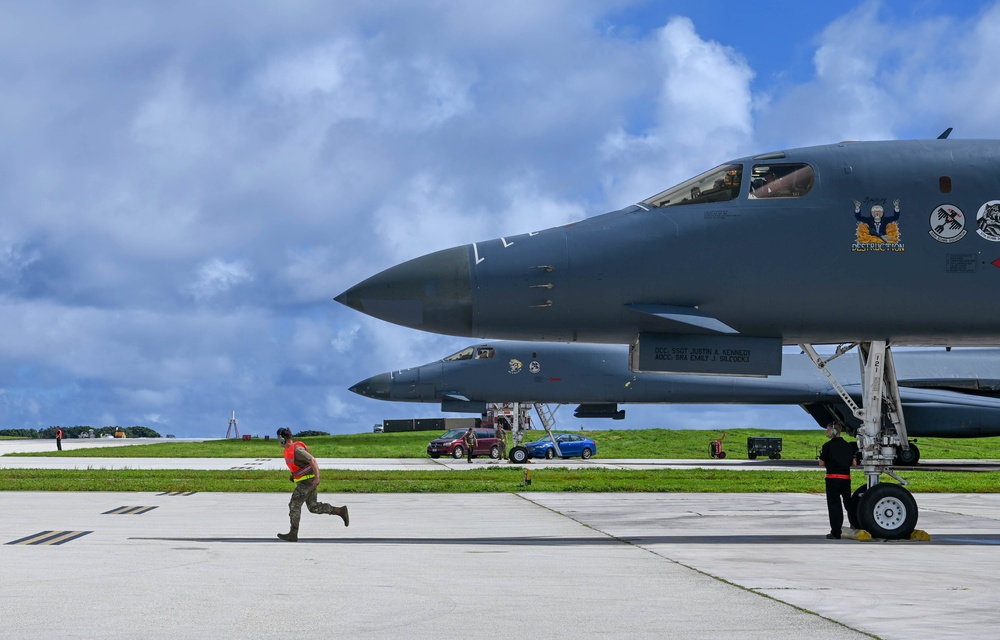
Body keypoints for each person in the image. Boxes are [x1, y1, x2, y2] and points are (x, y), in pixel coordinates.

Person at [276, 427, 349, 542]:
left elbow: (312, 461)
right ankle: (340, 511)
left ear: (283, 439)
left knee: (294, 505)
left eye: (278, 438)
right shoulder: (290, 450)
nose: (278, 441)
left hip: (308, 483)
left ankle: (293, 533)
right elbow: (301, 466)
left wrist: (317, 477)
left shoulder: (297, 450)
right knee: (313, 507)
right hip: (307, 481)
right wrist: (294, 475)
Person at [819, 422, 860, 539]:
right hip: (846, 479)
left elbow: (821, 463)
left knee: (834, 506)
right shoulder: (849, 446)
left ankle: (836, 532)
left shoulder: (827, 446)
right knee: (849, 503)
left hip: (832, 479)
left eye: (828, 430)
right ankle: (856, 525)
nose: (827, 432)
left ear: (833, 431)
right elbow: (854, 463)